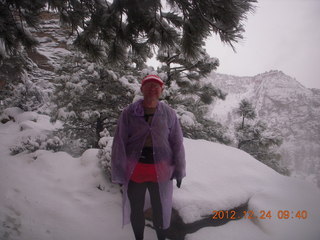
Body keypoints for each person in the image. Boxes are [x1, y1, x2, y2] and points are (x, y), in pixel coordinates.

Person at [111, 74, 186, 240]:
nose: (153, 88)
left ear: (162, 90)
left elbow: (177, 143)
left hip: (162, 172)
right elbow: (119, 143)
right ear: (141, 88)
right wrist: (118, 172)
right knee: (136, 209)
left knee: (161, 210)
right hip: (135, 171)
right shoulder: (129, 113)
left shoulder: (169, 113)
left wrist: (180, 170)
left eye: (157, 86)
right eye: (149, 85)